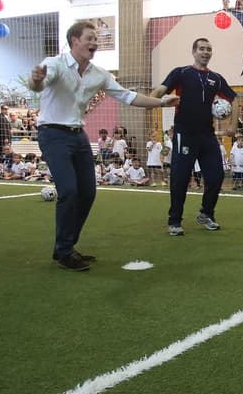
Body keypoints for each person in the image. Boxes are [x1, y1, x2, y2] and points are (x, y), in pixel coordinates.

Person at [30, 20, 178, 270]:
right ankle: (65, 251)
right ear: (74, 40)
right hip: (53, 134)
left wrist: (162, 103)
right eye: (90, 37)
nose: (95, 42)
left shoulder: (99, 74)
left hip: (79, 136)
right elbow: (38, 84)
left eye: (96, 38)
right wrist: (36, 79)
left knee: (88, 192)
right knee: (68, 190)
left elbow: (127, 96)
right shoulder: (54, 64)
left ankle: (66, 247)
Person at [152, 37, 236, 237]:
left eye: (209, 49)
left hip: (207, 135)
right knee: (180, 178)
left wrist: (232, 126)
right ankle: (174, 220)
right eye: (201, 49)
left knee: (216, 176)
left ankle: (206, 213)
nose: (205, 52)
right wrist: (154, 100)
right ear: (193, 51)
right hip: (184, 134)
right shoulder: (181, 73)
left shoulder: (216, 78)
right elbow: (160, 90)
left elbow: (233, 97)